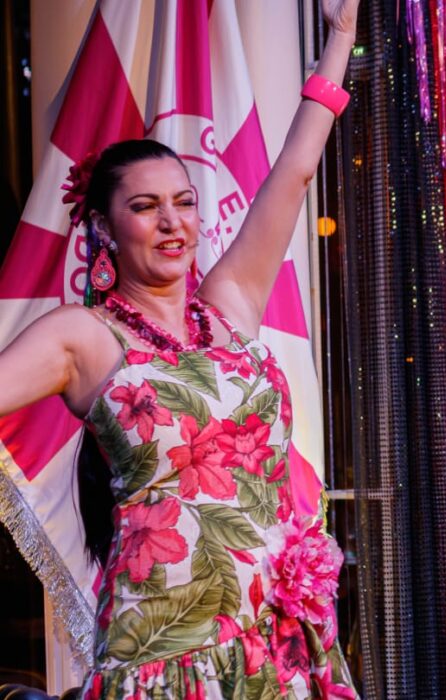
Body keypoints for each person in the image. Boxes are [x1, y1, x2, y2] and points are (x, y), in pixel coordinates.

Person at [0, 1, 360, 697]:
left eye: (185, 202)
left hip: (276, 638)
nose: (173, 223)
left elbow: (294, 173)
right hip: (166, 650)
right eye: (144, 207)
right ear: (103, 228)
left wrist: (339, 40)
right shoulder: (84, 336)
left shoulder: (230, 303)